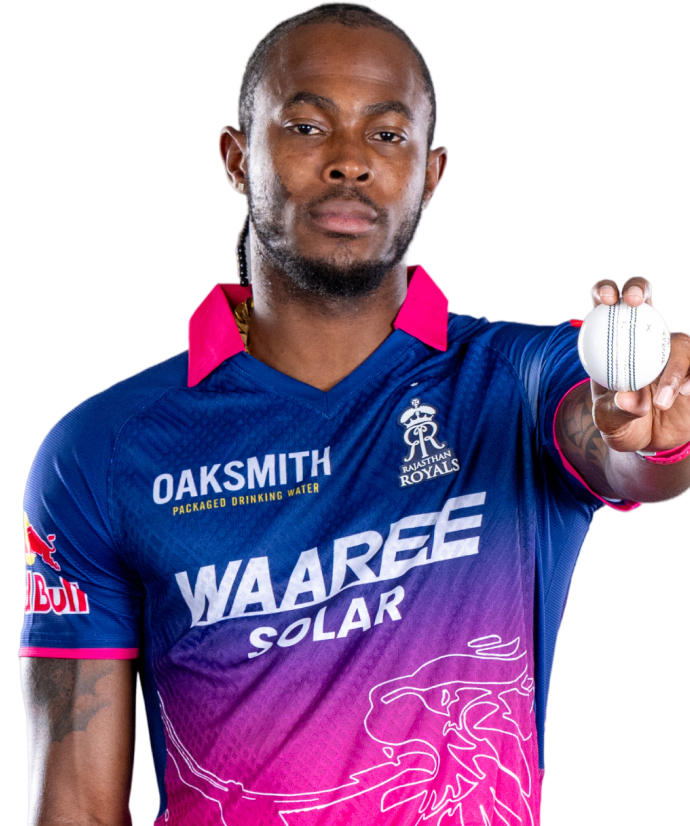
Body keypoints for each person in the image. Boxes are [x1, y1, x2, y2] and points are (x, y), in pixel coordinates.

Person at [20, 3, 689, 825]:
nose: (349, 162)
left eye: (387, 134)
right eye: (306, 127)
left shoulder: (520, 379)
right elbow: (74, 805)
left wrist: (649, 431)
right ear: (236, 158)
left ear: (432, 174)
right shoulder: (100, 449)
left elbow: (620, 449)